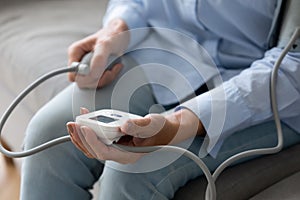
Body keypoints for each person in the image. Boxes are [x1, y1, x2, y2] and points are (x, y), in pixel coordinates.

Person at [21, 0, 300, 199]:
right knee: (47, 133)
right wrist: (118, 27)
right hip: (170, 49)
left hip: (273, 90)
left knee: (133, 170)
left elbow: (293, 66)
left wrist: (181, 122)